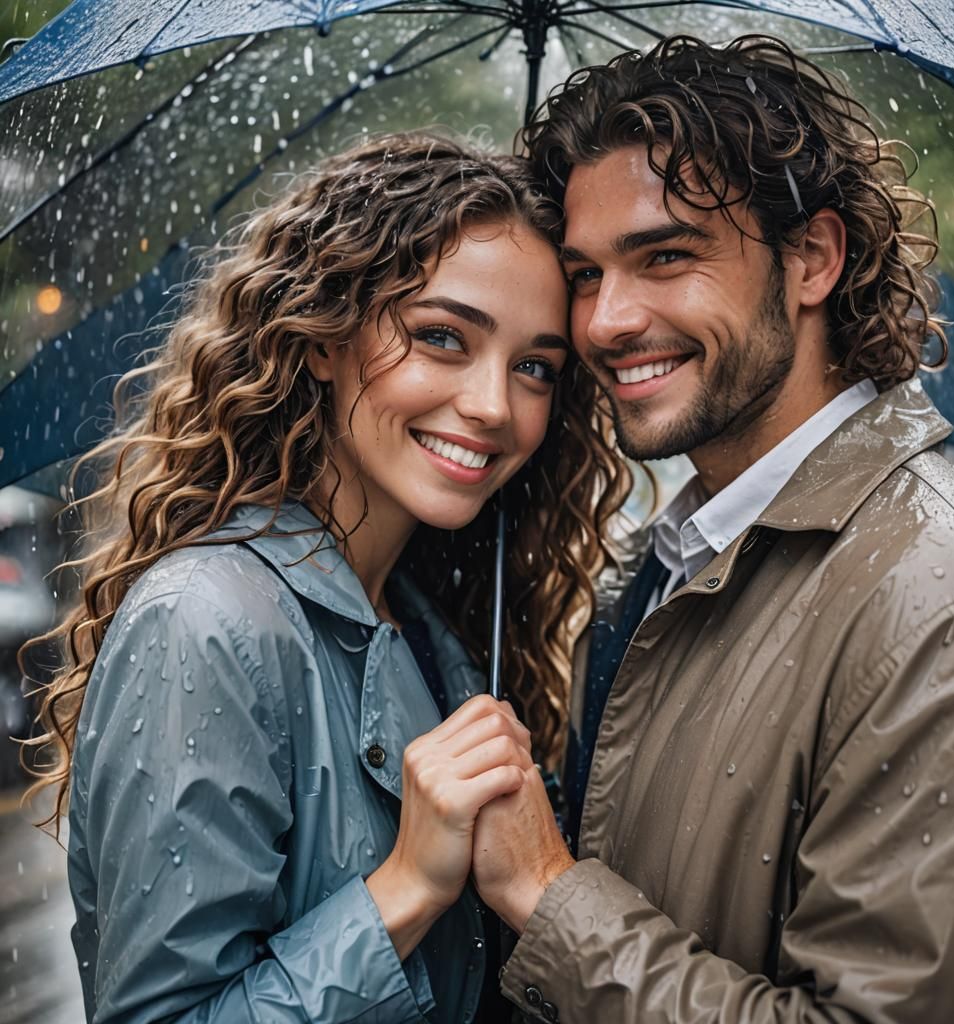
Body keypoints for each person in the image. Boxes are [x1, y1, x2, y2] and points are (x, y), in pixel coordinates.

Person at [470, 35, 954, 1022]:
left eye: (665, 256)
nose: (603, 322)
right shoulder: (657, 565)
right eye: (586, 273)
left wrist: (549, 899)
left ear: (811, 257)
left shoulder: (948, 592)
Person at [22, 134, 628, 1023]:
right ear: (322, 340)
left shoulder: (436, 630)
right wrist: (407, 887)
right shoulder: (205, 623)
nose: (496, 405)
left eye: (535, 366)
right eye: (442, 337)